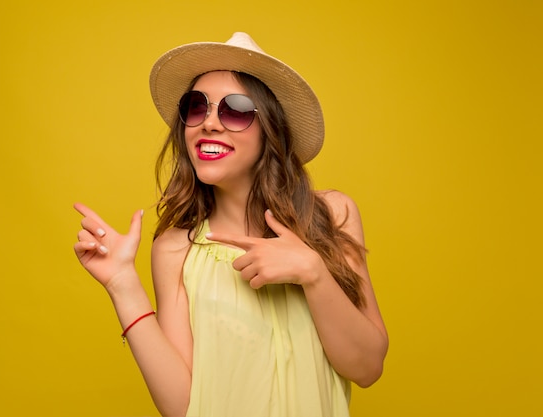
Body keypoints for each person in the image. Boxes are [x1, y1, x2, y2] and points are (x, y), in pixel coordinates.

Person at [74, 32, 388, 417]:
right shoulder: (175, 249)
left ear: (269, 129)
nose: (208, 123)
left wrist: (313, 272)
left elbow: (368, 368)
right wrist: (123, 287)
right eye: (195, 107)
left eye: (235, 110)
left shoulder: (331, 216)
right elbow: (182, 406)